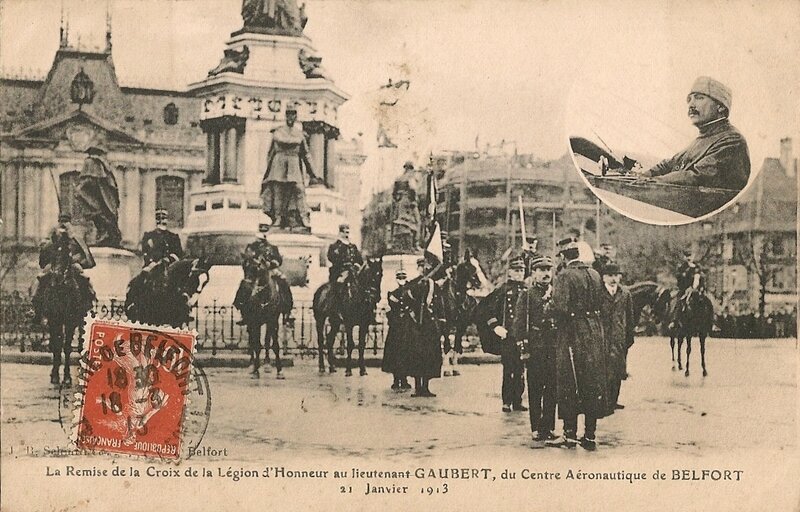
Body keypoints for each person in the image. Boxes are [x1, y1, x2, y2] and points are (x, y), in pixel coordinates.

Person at [547, 239, 611, 450]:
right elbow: (604, 304)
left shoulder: (565, 276)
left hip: (572, 333)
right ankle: (590, 434)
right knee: (591, 381)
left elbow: (561, 308)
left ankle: (569, 434)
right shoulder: (594, 274)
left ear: (565, 257)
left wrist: (549, 305)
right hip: (594, 333)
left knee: (569, 381)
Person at [638, 76, 750, 191]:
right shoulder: (703, 138)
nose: (691, 105)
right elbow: (668, 164)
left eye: (699, 98)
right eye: (689, 100)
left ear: (720, 107)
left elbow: (698, 176)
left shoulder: (732, 140)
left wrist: (650, 182)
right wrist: (642, 177)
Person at [513, 255, 558, 444]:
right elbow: (519, 322)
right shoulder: (527, 295)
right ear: (534, 273)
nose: (546, 273)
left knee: (552, 390)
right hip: (536, 347)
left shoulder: (557, 293)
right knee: (535, 389)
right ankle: (536, 428)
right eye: (541, 270)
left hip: (554, 346)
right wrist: (523, 347)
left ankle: (549, 427)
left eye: (548, 270)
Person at [474, 253, 528, 412]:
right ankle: (507, 401)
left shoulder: (527, 289)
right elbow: (485, 310)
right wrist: (496, 327)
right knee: (509, 370)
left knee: (520, 371)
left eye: (522, 270)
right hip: (508, 337)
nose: (519, 273)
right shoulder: (502, 290)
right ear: (509, 272)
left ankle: (518, 400)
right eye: (516, 270)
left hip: (523, 337)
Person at [260, 105, 323, 230]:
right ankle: (277, 218)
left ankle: (303, 216)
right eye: (288, 114)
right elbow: (277, 143)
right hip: (279, 164)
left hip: (293, 165)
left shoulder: (299, 134)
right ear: (285, 116)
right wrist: (297, 139)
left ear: (296, 116)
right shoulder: (280, 131)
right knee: (278, 191)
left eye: (293, 114)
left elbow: (306, 155)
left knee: (299, 189)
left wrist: (314, 172)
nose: (290, 117)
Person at [31, 214, 96, 324]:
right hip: (54, 264)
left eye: (65, 221)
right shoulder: (53, 233)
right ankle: (36, 309)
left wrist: (72, 237)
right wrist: (54, 238)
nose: (63, 224)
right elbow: (44, 256)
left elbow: (86, 256)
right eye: (61, 221)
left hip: (72, 264)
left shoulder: (75, 236)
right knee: (40, 278)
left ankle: (88, 304)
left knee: (84, 278)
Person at [401, 256, 447, 397]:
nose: (423, 269)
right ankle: (417, 387)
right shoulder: (413, 284)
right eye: (421, 267)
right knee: (416, 356)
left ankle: (426, 387)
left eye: (426, 267)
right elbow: (406, 299)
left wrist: (442, 324)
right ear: (418, 268)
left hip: (430, 325)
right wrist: (417, 288)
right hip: (416, 325)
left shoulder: (434, 286)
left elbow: (440, 305)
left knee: (429, 355)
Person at [234, 220, 292, 322]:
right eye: (261, 233)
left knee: (283, 282)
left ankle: (287, 310)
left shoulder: (272, 247)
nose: (262, 237)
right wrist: (253, 263)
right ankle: (242, 310)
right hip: (254, 272)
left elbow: (279, 260)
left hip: (270, 270)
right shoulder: (251, 247)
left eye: (264, 233)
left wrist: (272, 263)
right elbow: (247, 259)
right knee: (245, 285)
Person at [599, 263, 635, 412]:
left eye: (616, 275)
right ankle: (604, 402)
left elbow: (630, 316)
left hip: (619, 337)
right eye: (610, 276)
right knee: (604, 369)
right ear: (604, 277)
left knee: (618, 368)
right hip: (602, 336)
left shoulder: (625, 294)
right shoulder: (598, 293)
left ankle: (614, 400)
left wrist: (629, 336)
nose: (613, 279)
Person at [76, 146, 122, 247]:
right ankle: (105, 235)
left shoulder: (91, 162)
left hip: (99, 198)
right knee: (101, 217)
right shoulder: (103, 165)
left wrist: (80, 187)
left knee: (99, 215)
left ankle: (105, 235)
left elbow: (91, 180)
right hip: (104, 198)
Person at [381, 270, 412, 391]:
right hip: (396, 328)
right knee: (394, 353)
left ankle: (404, 379)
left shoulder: (409, 292)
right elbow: (390, 312)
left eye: (403, 277)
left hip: (407, 327)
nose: (401, 279)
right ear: (396, 279)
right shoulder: (392, 294)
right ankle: (396, 379)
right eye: (399, 277)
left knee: (406, 352)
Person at [140, 209, 184, 276]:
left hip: (170, 267)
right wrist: (152, 263)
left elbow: (179, 254)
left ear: (166, 220)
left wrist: (168, 259)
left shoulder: (173, 237)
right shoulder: (148, 236)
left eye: (163, 218)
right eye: (158, 219)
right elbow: (146, 253)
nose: (160, 221)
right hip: (152, 267)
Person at [327, 223, 363, 288]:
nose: (347, 235)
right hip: (340, 271)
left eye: (348, 232)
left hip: (353, 271)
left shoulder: (353, 246)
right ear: (340, 233)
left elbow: (359, 259)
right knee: (339, 284)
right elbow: (331, 258)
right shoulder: (335, 246)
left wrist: (356, 265)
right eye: (345, 232)